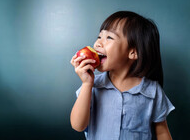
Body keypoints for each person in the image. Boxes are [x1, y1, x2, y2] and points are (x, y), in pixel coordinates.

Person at [70, 11, 175, 140]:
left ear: (133, 52)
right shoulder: (92, 86)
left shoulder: (152, 91)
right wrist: (87, 84)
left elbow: (162, 132)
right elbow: (78, 125)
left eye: (109, 38)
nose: (98, 44)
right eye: (99, 37)